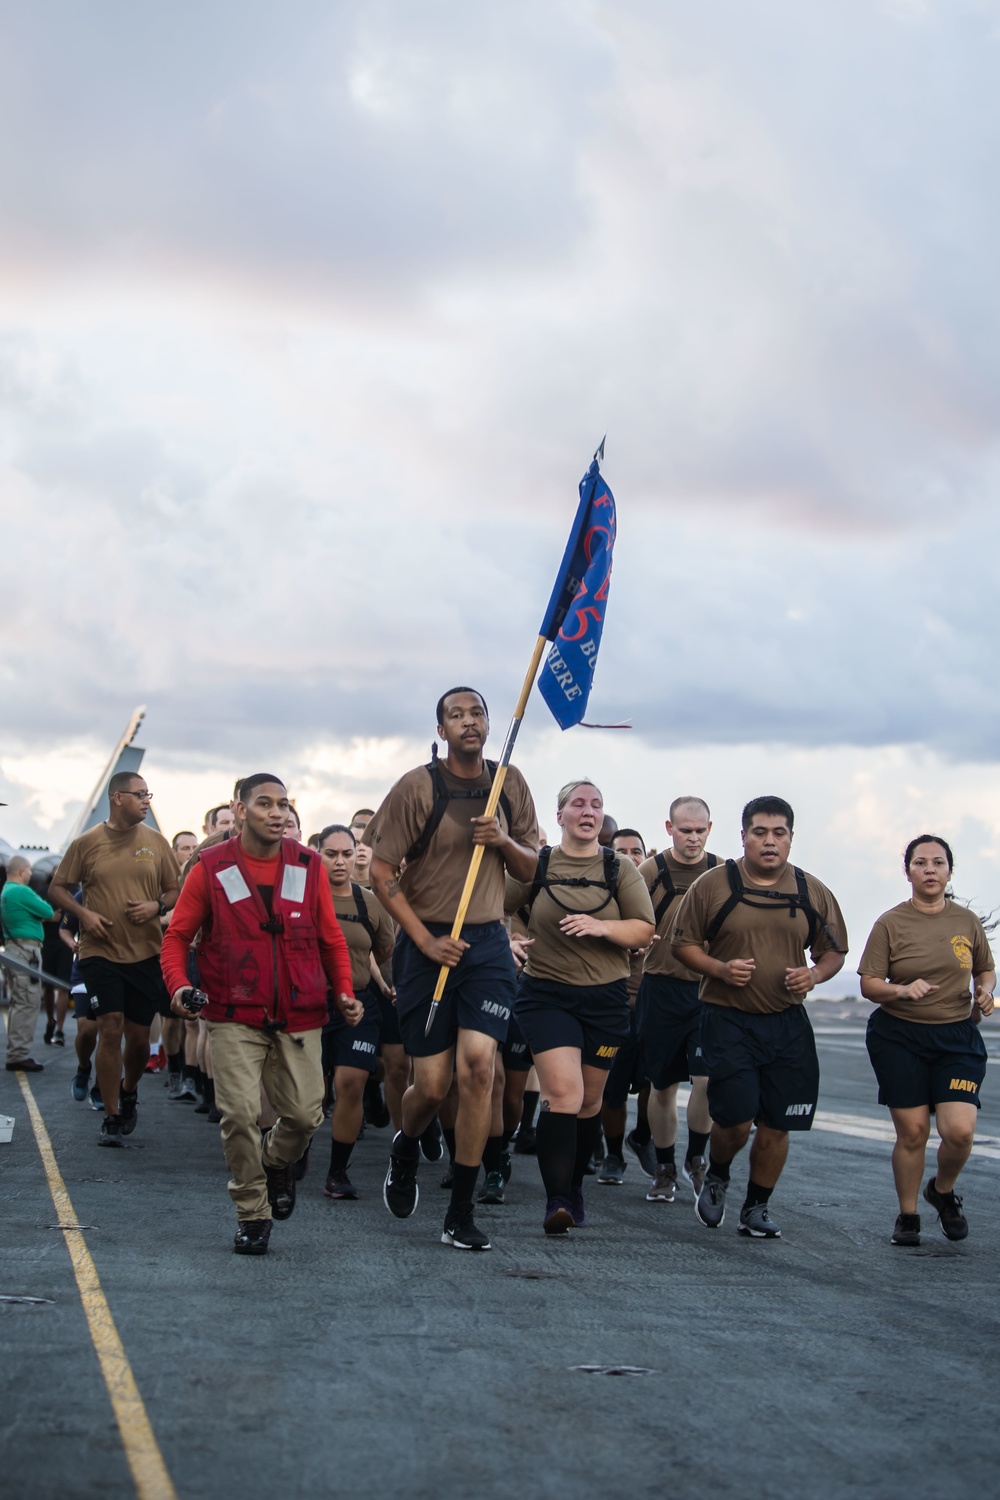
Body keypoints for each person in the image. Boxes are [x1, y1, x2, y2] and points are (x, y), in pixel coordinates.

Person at [366, 687, 539, 1252]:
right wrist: (421, 939)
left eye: (477, 713)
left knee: (478, 1069)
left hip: (487, 942)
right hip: (426, 942)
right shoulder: (418, 786)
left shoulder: (509, 783)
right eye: (455, 715)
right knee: (433, 1085)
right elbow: (383, 873)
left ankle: (460, 1213)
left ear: (490, 724)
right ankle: (404, 1142)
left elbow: (532, 868)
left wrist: (503, 840)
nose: (469, 722)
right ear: (440, 729)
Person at [161, 775, 358, 1255]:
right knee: (240, 1115)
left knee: (307, 1115)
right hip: (232, 1013)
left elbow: (331, 938)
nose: (276, 812)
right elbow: (176, 938)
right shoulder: (209, 867)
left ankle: (275, 1162)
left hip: (300, 1013)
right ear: (240, 809)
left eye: (283, 804)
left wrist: (346, 991)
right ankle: (252, 1212)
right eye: (264, 803)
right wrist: (180, 985)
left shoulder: (308, 866)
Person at [671, 796, 847, 1238]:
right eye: (760, 833)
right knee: (736, 1120)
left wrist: (814, 975)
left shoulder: (810, 891)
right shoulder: (713, 885)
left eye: (779, 833)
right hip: (728, 1018)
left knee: (778, 1122)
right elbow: (682, 945)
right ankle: (718, 1174)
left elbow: (833, 953)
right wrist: (720, 969)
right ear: (744, 836)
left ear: (790, 838)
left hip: (787, 1023)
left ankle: (756, 1207)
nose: (770, 842)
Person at [505, 781, 654, 1234]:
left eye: (596, 805)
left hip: (606, 998)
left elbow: (644, 930)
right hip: (546, 994)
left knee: (590, 1101)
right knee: (564, 1095)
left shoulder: (618, 868)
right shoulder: (538, 864)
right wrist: (509, 938)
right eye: (578, 804)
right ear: (560, 815)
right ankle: (556, 1203)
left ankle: (573, 1189)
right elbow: (499, 910)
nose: (588, 812)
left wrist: (601, 927)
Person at [858, 835, 994, 1245]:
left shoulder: (965, 922)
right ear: (908, 872)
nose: (930, 869)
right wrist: (901, 990)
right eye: (921, 863)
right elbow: (868, 983)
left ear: (949, 871)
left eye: (938, 862)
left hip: (956, 1036)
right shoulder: (890, 923)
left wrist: (985, 991)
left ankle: (942, 1190)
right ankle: (908, 1216)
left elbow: (985, 970)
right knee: (913, 1132)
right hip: (899, 1035)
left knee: (960, 1131)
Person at [49, 774, 180, 1143]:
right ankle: (110, 1116)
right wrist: (84, 915)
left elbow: (175, 889)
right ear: (117, 797)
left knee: (138, 1041)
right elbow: (58, 888)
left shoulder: (156, 843)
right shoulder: (87, 843)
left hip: (144, 953)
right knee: (109, 1026)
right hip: (98, 952)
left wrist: (156, 906)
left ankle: (128, 1090)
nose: (146, 801)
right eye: (140, 795)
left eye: (148, 795)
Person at [636, 797, 720, 1203]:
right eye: (685, 830)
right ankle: (665, 1167)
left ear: (710, 829)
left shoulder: (724, 873)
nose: (693, 837)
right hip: (661, 988)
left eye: (700, 830)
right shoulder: (650, 871)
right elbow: (628, 918)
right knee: (663, 1084)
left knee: (707, 1080)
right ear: (669, 828)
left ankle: (697, 1158)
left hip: (707, 992)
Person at [316, 824, 395, 1199]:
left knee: (350, 1083)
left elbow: (381, 950)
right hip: (309, 1006)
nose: (340, 861)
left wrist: (365, 978)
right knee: (311, 1091)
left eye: (346, 854)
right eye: (331, 854)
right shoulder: (302, 899)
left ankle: (337, 1172)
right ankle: (292, 1151)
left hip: (359, 1004)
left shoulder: (369, 902)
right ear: (317, 854)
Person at [597, 829, 655, 1185]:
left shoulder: (655, 898)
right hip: (614, 1005)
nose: (631, 857)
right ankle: (613, 1153)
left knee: (656, 1082)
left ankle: (644, 1135)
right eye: (622, 851)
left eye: (637, 851)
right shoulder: (602, 897)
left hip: (653, 1008)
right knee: (612, 1090)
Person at [1, 855, 54, 1071]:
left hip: (14, 949)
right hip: (26, 951)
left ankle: (16, 1050)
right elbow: (48, 911)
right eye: (30, 871)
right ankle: (18, 1055)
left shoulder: (5, 892)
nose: (31, 875)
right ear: (22, 871)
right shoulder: (21, 891)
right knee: (27, 1002)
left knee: (18, 1001)